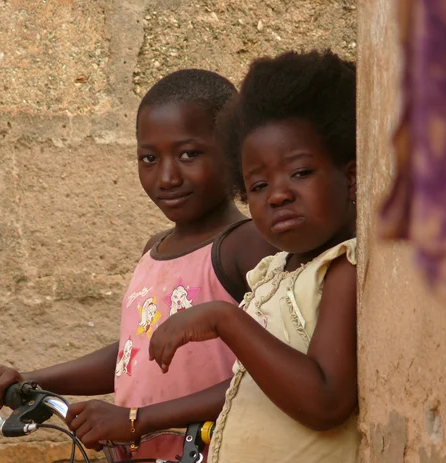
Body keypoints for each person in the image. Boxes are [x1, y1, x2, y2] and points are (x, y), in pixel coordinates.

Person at [0, 69, 277, 460]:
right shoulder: (155, 249)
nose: (166, 177)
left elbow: (268, 376)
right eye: (149, 158)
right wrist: (31, 379)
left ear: (235, 152)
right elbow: (134, 353)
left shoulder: (245, 244)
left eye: (188, 154)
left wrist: (137, 419)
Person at [149, 50, 359, 462]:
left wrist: (224, 318)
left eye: (300, 173)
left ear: (350, 178)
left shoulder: (341, 270)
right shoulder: (275, 272)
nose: (278, 194)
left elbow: (326, 402)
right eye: (259, 185)